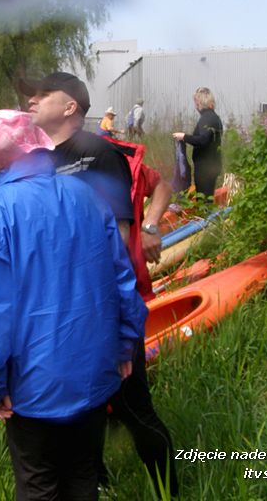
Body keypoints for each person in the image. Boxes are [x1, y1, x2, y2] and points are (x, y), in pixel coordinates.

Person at [0, 110, 144, 501]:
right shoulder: (88, 197)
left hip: (32, 386)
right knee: (83, 476)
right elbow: (121, 280)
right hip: (95, 371)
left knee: (38, 484)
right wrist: (125, 344)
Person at [21, 71, 178, 496]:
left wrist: (148, 224)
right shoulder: (37, 161)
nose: (31, 101)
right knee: (85, 411)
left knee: (132, 406)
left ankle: (168, 490)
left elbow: (112, 245)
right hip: (60, 311)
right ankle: (99, 484)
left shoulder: (99, 155)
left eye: (41, 94)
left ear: (70, 106)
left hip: (103, 305)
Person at [173, 86, 223, 202]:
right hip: (212, 164)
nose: (195, 105)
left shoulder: (207, 118)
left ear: (199, 102)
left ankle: (205, 218)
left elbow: (202, 140)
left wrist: (184, 137)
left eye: (195, 101)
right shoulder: (214, 117)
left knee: (204, 200)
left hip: (206, 167)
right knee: (206, 198)